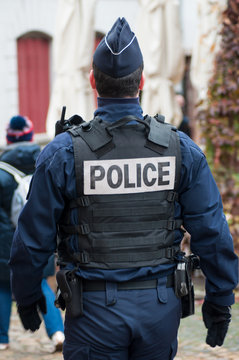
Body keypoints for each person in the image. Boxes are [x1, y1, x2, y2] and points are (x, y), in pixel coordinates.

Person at [9, 18, 238, 360]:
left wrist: (28, 299)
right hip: (159, 310)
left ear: (92, 82)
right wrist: (219, 302)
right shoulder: (180, 150)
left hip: (92, 314)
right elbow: (213, 232)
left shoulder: (62, 154)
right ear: (142, 81)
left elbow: (32, 239)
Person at [0, 115, 65, 352]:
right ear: (30, 136)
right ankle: (58, 333)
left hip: (6, 242)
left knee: (3, 288)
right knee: (42, 285)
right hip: (40, 237)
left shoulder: (1, 171)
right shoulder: (45, 160)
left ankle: (2, 338)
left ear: (8, 139)